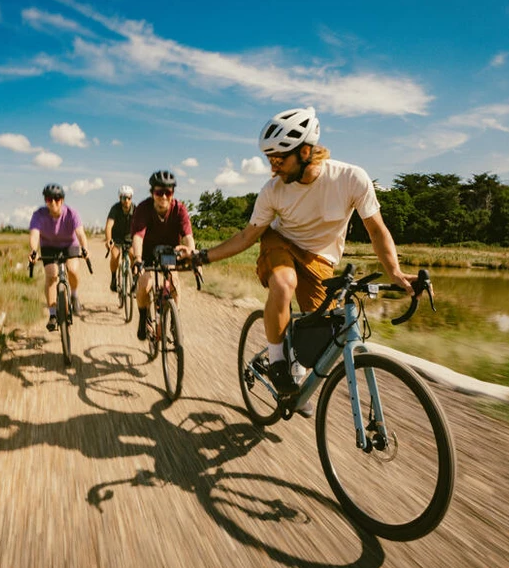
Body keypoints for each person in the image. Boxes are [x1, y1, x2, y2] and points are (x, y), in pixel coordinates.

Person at [179, 106, 418, 417]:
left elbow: (376, 229)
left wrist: (395, 272)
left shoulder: (350, 178)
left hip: (320, 260)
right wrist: (200, 256)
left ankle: (297, 369)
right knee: (284, 282)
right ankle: (278, 362)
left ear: (306, 151)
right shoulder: (272, 192)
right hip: (280, 244)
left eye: (279, 158)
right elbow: (247, 237)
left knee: (322, 340)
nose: (273, 166)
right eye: (270, 159)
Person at [130, 170, 195, 341]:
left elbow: (188, 236)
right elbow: (137, 236)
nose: (164, 197)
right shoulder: (143, 208)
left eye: (168, 192)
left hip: (169, 252)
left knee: (174, 283)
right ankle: (144, 318)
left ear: (173, 193)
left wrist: (192, 254)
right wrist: (137, 259)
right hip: (146, 252)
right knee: (144, 285)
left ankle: (174, 322)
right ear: (152, 193)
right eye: (159, 192)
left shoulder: (179, 209)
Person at [29, 183, 91, 331]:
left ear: (62, 200)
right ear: (45, 200)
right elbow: (34, 234)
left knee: (73, 270)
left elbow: (80, 233)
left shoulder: (72, 214)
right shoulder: (39, 215)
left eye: (57, 199)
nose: (53, 202)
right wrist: (33, 251)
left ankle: (74, 295)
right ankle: (52, 314)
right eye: (49, 199)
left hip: (69, 245)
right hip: (48, 247)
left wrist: (85, 248)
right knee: (51, 275)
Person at [104, 185, 135, 293]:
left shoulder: (135, 209)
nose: (126, 200)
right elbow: (109, 225)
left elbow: (140, 227)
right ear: (120, 198)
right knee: (115, 255)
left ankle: (133, 278)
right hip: (116, 238)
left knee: (134, 255)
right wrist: (108, 240)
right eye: (123, 198)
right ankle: (113, 278)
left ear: (131, 198)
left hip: (130, 239)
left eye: (128, 198)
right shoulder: (115, 208)